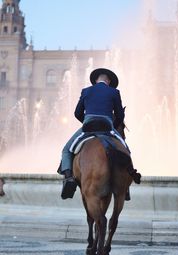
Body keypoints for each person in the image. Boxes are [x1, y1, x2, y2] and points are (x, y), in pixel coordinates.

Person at [57, 68, 141, 199]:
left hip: (88, 125)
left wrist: (86, 121)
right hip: (107, 125)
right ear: (108, 81)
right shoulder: (114, 92)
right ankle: (126, 183)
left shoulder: (86, 91)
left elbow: (77, 113)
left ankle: (69, 179)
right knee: (125, 149)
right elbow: (120, 114)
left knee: (66, 150)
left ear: (96, 80)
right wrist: (113, 125)